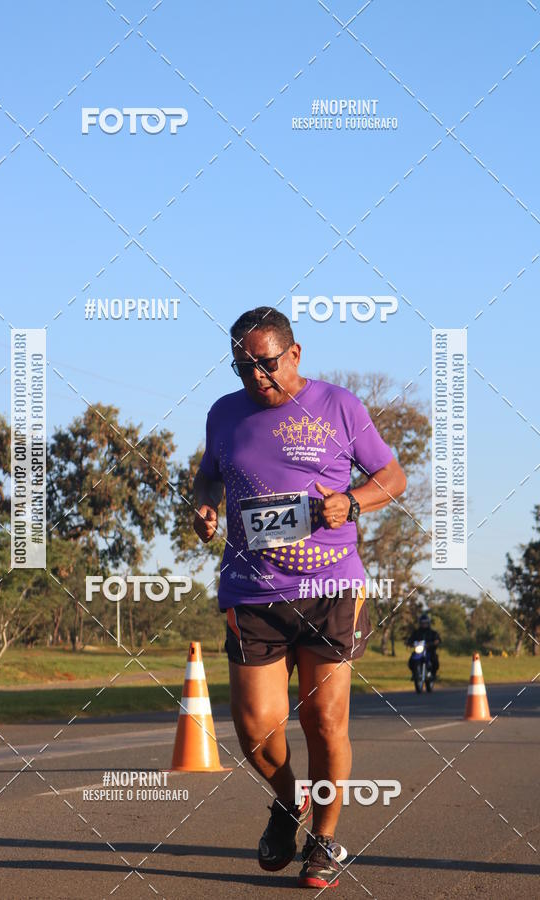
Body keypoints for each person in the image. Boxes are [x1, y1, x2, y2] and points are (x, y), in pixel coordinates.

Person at [193, 307, 407, 888]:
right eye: (243, 368)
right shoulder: (224, 414)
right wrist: (205, 506)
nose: (256, 378)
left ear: (295, 354)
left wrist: (353, 502)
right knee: (256, 728)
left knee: (322, 719)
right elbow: (208, 475)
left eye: (265, 364)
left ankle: (326, 842)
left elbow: (393, 475)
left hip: (331, 587)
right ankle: (290, 804)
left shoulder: (339, 406)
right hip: (252, 588)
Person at [407, 612, 441, 678]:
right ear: (420, 623)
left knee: (434, 659)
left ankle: (433, 674)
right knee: (411, 660)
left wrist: (435, 642)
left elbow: (437, 639)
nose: (424, 624)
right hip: (419, 650)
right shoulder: (416, 632)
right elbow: (411, 639)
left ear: (428, 623)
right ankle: (415, 673)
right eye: (422, 623)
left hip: (429, 650)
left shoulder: (432, 632)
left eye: (425, 623)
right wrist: (409, 642)